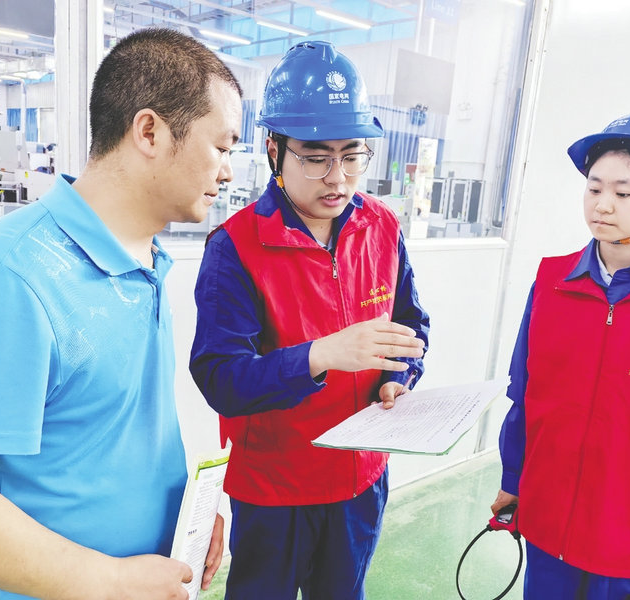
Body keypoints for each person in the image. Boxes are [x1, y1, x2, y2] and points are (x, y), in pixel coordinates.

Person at [0, 28, 242, 600]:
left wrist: (184, 516)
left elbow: (104, 439)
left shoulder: (144, 260)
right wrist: (109, 580)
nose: (228, 171)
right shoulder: (11, 278)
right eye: (221, 146)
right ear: (149, 132)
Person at [190, 41, 430, 600]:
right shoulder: (235, 248)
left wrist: (398, 378)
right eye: (317, 158)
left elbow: (411, 326)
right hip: (276, 492)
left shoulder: (381, 228)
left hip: (361, 482)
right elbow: (222, 379)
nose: (337, 178)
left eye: (352, 156)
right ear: (274, 150)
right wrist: (320, 356)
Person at [491, 105, 630, 600]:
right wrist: (513, 480)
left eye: (624, 193)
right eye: (594, 189)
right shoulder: (552, 282)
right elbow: (524, 396)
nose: (602, 206)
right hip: (547, 527)